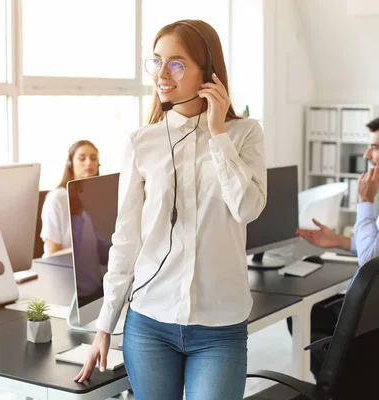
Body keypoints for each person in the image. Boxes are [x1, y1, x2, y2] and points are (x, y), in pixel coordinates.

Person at [75, 20, 267, 399]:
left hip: (220, 327)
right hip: (149, 323)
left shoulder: (245, 134)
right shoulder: (141, 142)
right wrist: (103, 328)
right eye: (156, 61)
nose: (162, 75)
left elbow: (247, 208)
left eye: (176, 64)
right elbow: (126, 239)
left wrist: (217, 133)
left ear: (208, 72)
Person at [296, 114, 379, 379]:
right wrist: (340, 241)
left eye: (375, 147)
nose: (366, 154)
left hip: (378, 314)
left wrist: (365, 200)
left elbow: (371, 259)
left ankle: (339, 385)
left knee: (308, 314)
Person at [40, 140, 100, 257]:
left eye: (93, 158)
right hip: (61, 267)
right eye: (82, 158)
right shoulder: (56, 199)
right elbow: (52, 253)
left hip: (89, 267)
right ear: (70, 164)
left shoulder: (95, 198)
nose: (88, 163)